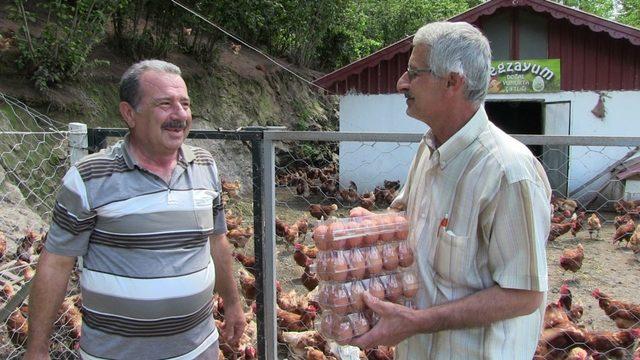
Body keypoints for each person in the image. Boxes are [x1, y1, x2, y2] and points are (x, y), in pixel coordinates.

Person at [348, 22, 551, 359]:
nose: (402, 83)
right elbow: (405, 219)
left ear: (453, 82)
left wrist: (417, 321)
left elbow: (524, 294)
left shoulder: (508, 171)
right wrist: (372, 227)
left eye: (414, 73)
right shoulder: (428, 149)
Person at [24, 60, 245, 360]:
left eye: (185, 103)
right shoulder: (89, 177)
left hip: (199, 350)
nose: (179, 114)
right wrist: (37, 349)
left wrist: (232, 303)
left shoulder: (205, 166)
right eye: (165, 104)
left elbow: (216, 241)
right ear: (129, 113)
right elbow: (56, 264)